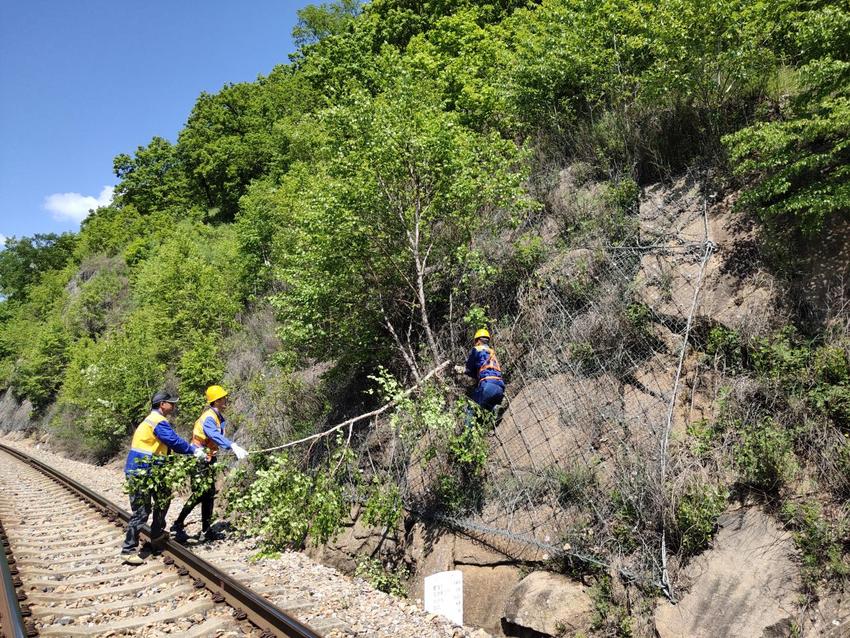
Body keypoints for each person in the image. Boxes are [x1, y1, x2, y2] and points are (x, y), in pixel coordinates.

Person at [121, 391, 205, 565]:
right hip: (141, 472)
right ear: (162, 405)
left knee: (163, 500)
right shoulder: (157, 421)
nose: (173, 406)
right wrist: (193, 450)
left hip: (153, 471)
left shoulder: (153, 420)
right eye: (171, 403)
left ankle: (157, 535)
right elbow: (173, 440)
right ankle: (128, 550)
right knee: (142, 511)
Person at [170, 385, 248, 543]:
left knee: (209, 494)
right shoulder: (209, 417)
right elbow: (212, 434)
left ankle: (206, 530)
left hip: (208, 458)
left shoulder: (217, 416)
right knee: (200, 493)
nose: (226, 400)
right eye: (223, 398)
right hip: (199, 458)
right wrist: (232, 445)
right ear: (216, 400)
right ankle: (177, 525)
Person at [455, 328, 505, 423]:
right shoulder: (492, 352)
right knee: (486, 405)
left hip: (487, 385)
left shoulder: (476, 349)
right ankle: (494, 408)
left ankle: (468, 435)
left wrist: (462, 370)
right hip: (500, 387)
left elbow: (469, 367)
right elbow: (482, 371)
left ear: (478, 340)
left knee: (471, 407)